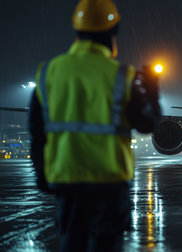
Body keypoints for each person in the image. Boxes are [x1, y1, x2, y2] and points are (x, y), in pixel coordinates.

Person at [28, 0, 161, 251]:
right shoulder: (122, 76)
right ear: (114, 31)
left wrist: (42, 176)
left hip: (67, 182)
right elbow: (148, 124)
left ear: (76, 29)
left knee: (71, 242)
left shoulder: (49, 72)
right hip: (109, 183)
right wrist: (153, 94)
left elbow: (36, 131)